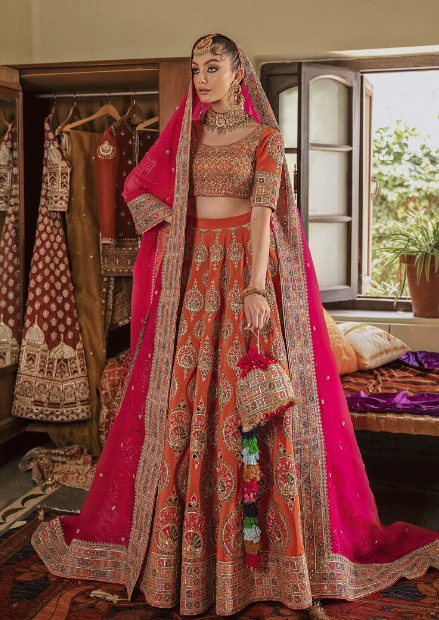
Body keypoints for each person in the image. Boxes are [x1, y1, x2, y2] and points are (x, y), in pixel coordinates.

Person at [32, 34, 439, 617]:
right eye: (196, 68)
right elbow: (137, 190)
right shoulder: (186, 138)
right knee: (186, 404)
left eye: (212, 67)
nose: (200, 77)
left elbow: (261, 216)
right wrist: (172, 232)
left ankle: (266, 562)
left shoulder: (265, 139)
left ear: (238, 73)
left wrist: (253, 289)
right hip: (192, 279)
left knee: (249, 403)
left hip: (242, 278)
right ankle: (180, 559)